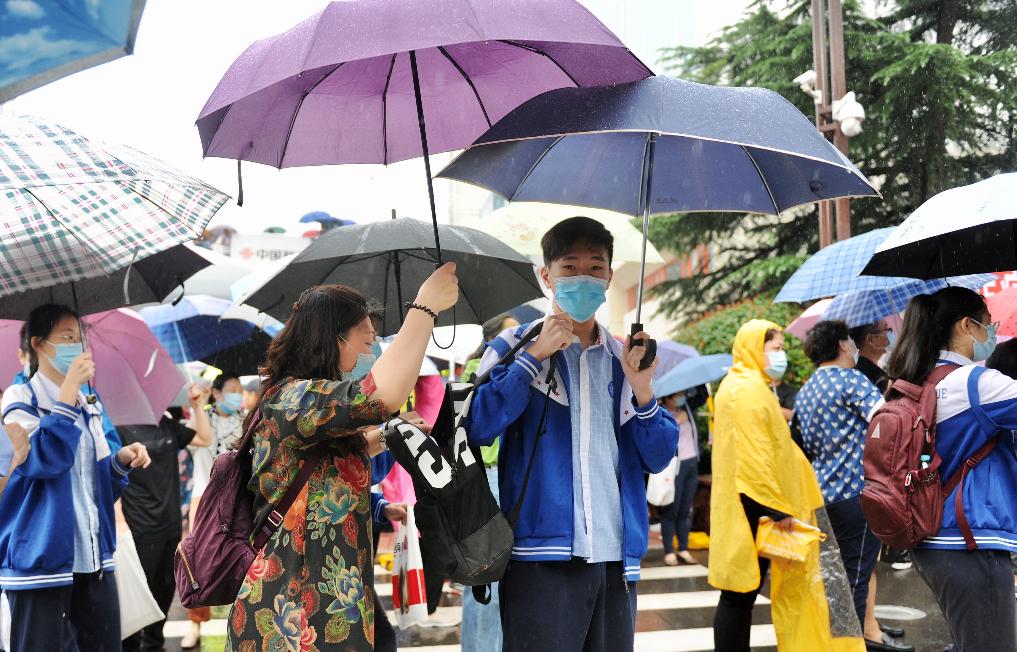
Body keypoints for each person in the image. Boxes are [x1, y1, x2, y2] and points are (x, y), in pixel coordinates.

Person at [466, 216, 679, 652]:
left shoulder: (627, 358)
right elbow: (477, 426)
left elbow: (659, 457)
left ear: (609, 276)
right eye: (570, 267)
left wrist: (642, 391)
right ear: (546, 275)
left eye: (596, 267)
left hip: (616, 559)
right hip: (538, 558)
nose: (584, 278)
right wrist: (534, 359)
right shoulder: (511, 346)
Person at [225, 263, 458, 651]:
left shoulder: (306, 406)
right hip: (291, 614)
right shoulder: (293, 399)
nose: (368, 354)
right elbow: (379, 396)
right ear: (333, 338)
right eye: (365, 344)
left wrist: (385, 437)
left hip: (325, 606)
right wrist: (424, 309)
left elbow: (325, 466)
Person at [0, 303, 150, 651]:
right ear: (38, 344)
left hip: (95, 560)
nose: (76, 346)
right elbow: (43, 461)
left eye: (79, 338)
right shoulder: (19, 399)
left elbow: (98, 490)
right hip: (41, 567)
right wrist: (67, 394)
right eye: (66, 337)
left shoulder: (90, 404)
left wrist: (120, 463)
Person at [710, 319, 865, 651]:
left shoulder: (749, 386)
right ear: (754, 348)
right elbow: (754, 456)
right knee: (739, 594)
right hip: (753, 507)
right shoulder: (746, 390)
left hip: (753, 504)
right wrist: (777, 510)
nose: (781, 356)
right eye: (776, 349)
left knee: (742, 594)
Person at [886, 287, 1016, 652]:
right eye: (989, 326)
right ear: (966, 325)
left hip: (928, 537)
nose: (991, 335)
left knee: (968, 641)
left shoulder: (916, 381)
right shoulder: (976, 383)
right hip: (968, 541)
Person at [794, 321, 911, 652]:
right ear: (843, 345)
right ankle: (854, 644)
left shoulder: (807, 389)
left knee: (834, 578)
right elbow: (887, 421)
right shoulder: (851, 380)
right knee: (857, 578)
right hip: (856, 492)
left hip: (822, 494)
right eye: (849, 339)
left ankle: (836, 641)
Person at [119, 385, 213, 652]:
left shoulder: (165, 423)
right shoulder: (120, 427)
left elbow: (205, 438)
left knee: (164, 590)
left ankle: (154, 644)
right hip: (137, 526)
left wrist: (197, 405)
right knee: (137, 597)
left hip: (170, 524)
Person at [460, 311, 520, 652]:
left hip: (494, 478)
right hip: (485, 478)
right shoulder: (478, 373)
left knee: (492, 578)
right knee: (487, 577)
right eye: (511, 335)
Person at [183, 371, 245, 648]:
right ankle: (195, 623)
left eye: (240, 390)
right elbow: (194, 438)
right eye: (232, 389)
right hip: (203, 498)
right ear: (218, 393)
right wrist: (199, 402)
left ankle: (243, 617)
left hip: (236, 500)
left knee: (241, 557)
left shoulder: (245, 420)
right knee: (199, 562)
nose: (238, 394)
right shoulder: (202, 419)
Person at [657, 386, 706, 566]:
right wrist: (674, 420)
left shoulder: (687, 409)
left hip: (691, 464)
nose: (681, 397)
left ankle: (683, 549)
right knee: (672, 509)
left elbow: (703, 394)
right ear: (667, 397)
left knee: (686, 510)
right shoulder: (661, 413)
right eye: (677, 394)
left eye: (682, 394)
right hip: (674, 467)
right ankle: (669, 551)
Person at [849, 320, 893, 395]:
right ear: (871, 340)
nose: (888, 338)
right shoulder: (867, 377)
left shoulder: (874, 366)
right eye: (886, 329)